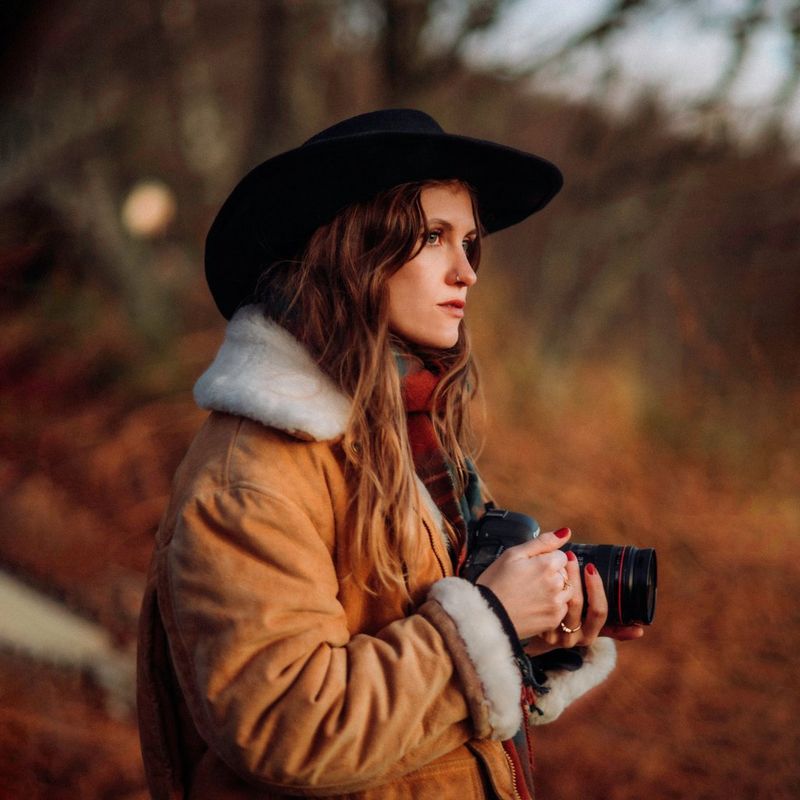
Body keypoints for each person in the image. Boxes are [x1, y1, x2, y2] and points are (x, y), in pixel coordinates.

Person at [137, 109, 643, 800]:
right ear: (351, 249)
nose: (466, 269)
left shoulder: (410, 439)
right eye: (433, 237)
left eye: (469, 241)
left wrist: (532, 637)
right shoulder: (252, 473)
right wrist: (489, 624)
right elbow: (289, 726)